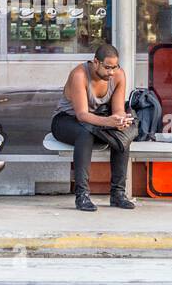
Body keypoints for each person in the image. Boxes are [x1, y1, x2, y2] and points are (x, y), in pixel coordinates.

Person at [51, 42, 136, 212]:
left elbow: (118, 109)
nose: (111, 72)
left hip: (97, 120)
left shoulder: (118, 76)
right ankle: (82, 195)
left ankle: (118, 194)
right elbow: (82, 115)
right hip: (67, 120)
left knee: (122, 136)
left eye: (115, 67)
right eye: (107, 67)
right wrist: (109, 122)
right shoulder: (79, 75)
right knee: (85, 133)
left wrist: (120, 120)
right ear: (96, 62)